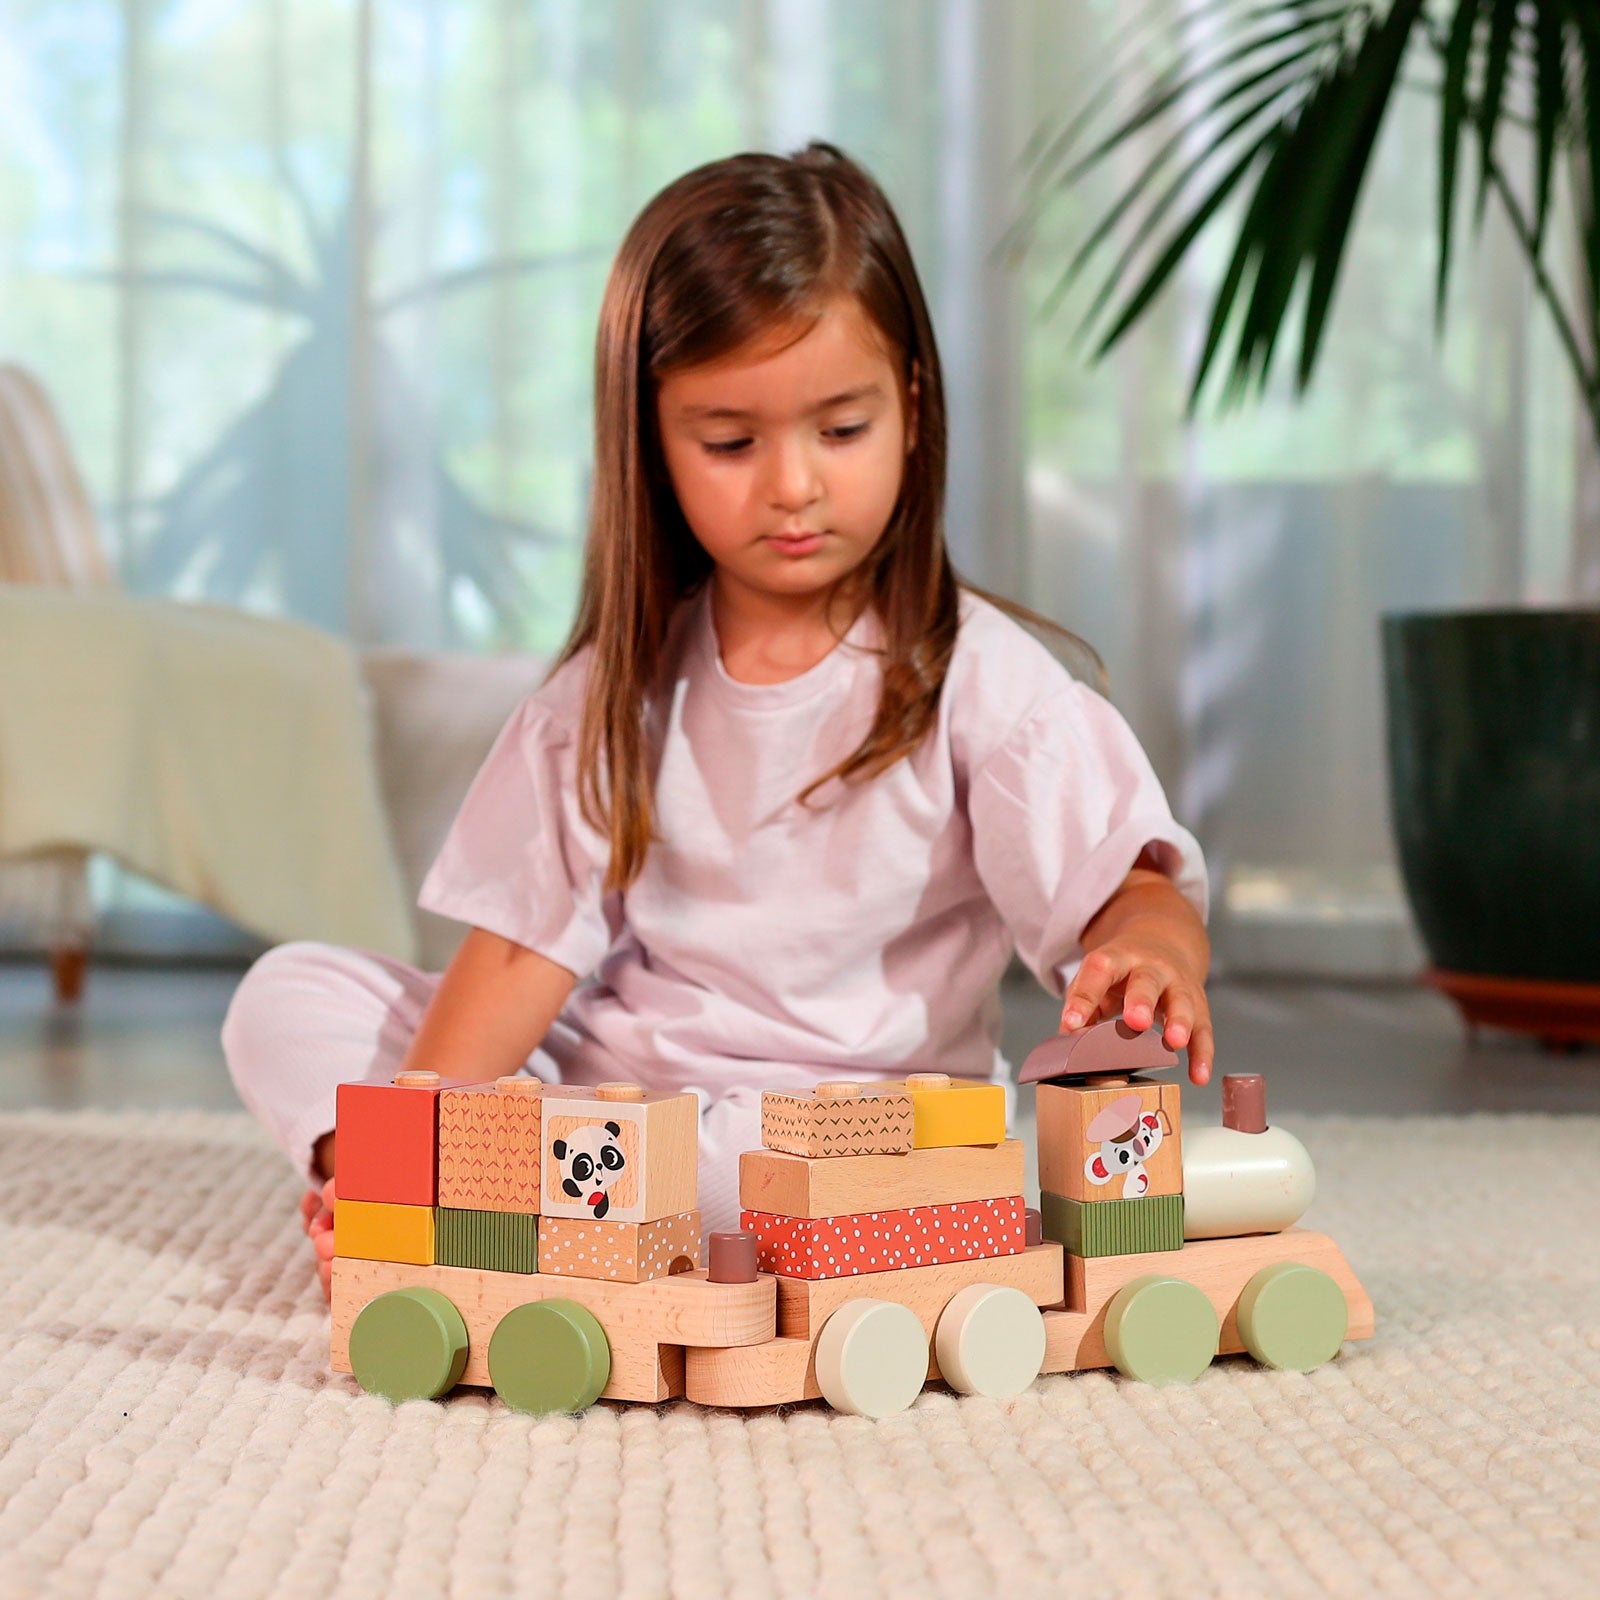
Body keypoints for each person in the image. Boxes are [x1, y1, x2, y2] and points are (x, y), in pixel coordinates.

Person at [223, 142, 1213, 1299]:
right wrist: (414, 1136)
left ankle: (519, 1200)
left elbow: (1125, 888)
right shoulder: (614, 691)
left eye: (839, 431)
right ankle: (461, 1186)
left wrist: (1151, 951)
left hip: (854, 1132)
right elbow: (515, 955)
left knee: (752, 1167)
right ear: (653, 442)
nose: (791, 485)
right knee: (289, 993)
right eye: (731, 443)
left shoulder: (984, 682)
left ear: (909, 406)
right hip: (615, 1102)